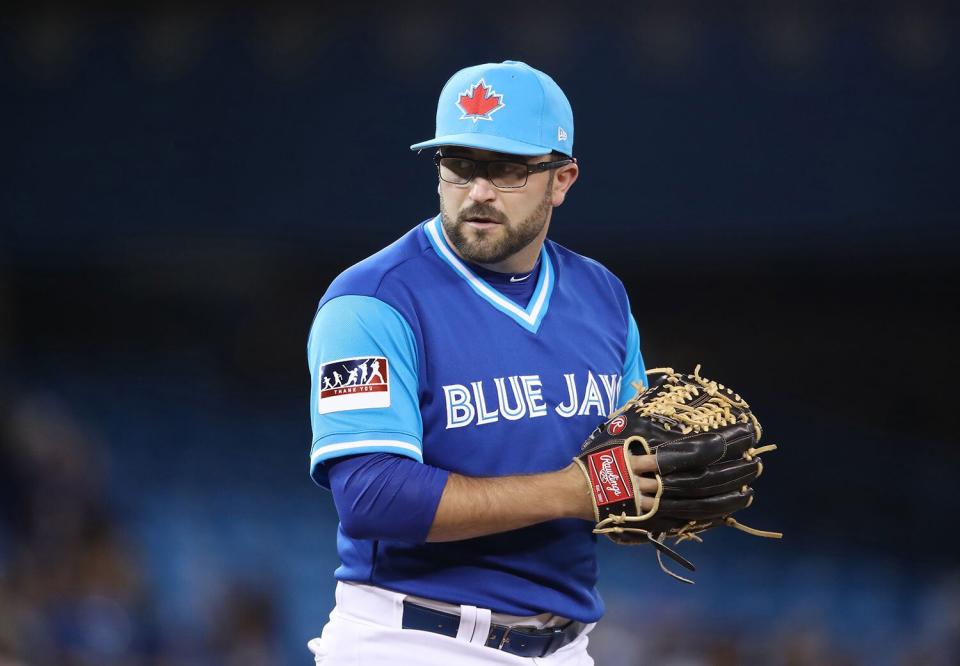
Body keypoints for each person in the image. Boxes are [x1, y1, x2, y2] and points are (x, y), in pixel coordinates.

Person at [305, 60, 658, 665]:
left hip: (568, 647)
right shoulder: (371, 301)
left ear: (562, 178)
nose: (479, 191)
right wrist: (578, 491)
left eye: (507, 169)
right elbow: (373, 497)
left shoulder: (603, 297)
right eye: (460, 165)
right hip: (412, 639)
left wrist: (661, 491)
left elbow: (631, 462)